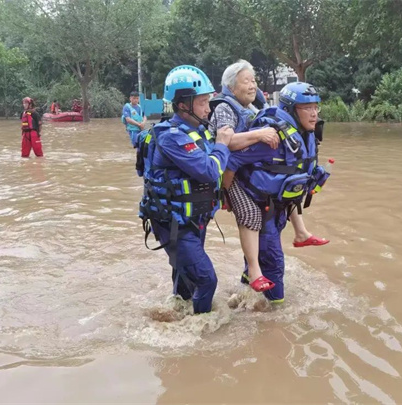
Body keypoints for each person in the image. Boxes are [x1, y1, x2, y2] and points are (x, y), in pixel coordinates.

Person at [209, 60, 327, 293]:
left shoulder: (265, 114)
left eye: (316, 108)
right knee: (271, 258)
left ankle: (246, 296)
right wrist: (225, 192)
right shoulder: (264, 132)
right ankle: (273, 307)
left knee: (293, 187)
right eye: (307, 108)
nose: (314, 114)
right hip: (248, 190)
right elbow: (228, 149)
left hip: (276, 200)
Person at [137, 65, 234, 314]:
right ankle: (202, 328)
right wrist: (222, 144)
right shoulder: (171, 136)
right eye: (202, 103)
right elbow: (210, 170)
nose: (208, 109)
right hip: (174, 224)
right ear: (183, 105)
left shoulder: (196, 131)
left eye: (208, 101)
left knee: (186, 279)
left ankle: (178, 316)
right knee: (206, 280)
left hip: (191, 219)